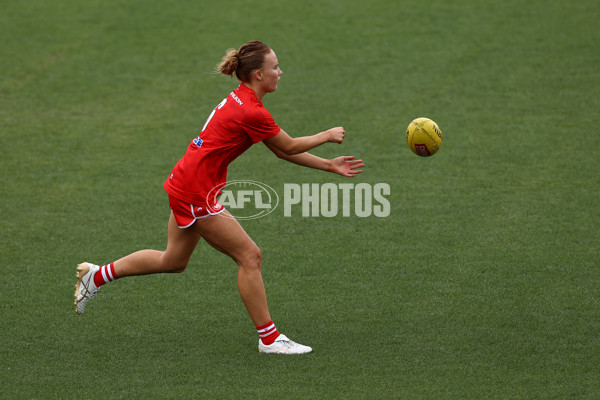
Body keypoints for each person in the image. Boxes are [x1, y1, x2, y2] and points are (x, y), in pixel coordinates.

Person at [74, 40, 364, 355]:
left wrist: (328, 166)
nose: (280, 72)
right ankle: (270, 339)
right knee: (250, 256)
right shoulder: (252, 111)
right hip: (196, 190)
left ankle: (96, 275)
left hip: (187, 182)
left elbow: (281, 152)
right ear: (257, 74)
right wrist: (327, 135)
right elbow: (291, 145)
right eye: (275, 67)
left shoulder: (244, 101)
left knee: (173, 260)